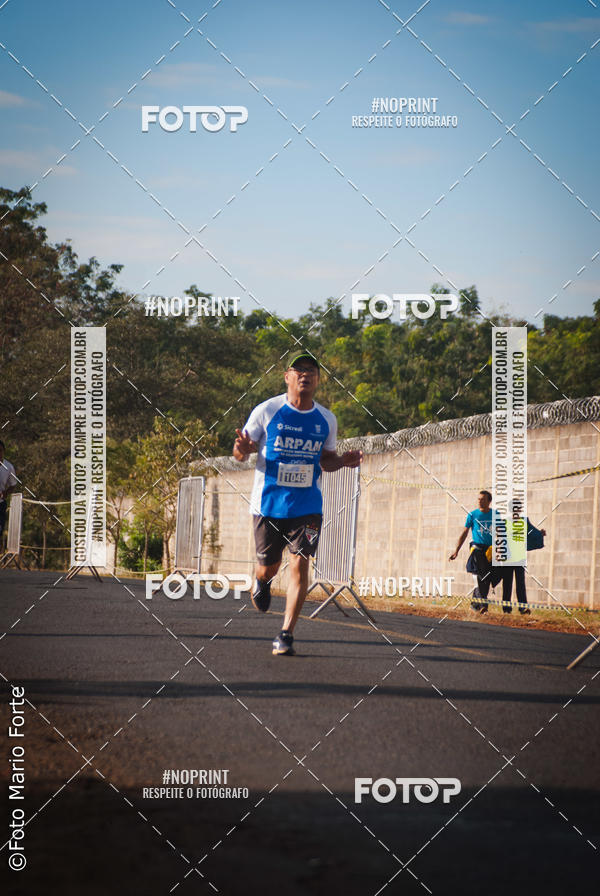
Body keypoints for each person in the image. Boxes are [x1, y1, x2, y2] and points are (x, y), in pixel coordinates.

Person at [233, 352, 363, 655]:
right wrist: (243, 449)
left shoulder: (326, 419)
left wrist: (343, 461)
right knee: (269, 567)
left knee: (300, 563)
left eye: (311, 371)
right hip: (268, 505)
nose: (305, 375)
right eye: (299, 370)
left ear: (317, 380)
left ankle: (286, 633)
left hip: (308, 507)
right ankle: (262, 581)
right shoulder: (267, 410)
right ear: (287, 377)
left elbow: (326, 460)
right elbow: (240, 452)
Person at [449, 490, 501, 614]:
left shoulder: (495, 514)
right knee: (480, 576)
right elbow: (464, 533)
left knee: (486, 578)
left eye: (483, 499)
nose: (480, 501)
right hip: (477, 548)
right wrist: (456, 551)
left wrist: (499, 549)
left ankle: (474, 605)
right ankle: (483, 605)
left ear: (489, 501)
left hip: (490, 550)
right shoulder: (472, 515)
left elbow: (500, 532)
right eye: (478, 499)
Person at [501, 503, 546, 615]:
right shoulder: (505, 522)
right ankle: (506, 609)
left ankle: (523, 608)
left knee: (520, 583)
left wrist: (540, 534)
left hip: (520, 557)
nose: (517, 510)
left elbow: (532, 533)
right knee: (507, 584)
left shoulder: (525, 521)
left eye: (518, 508)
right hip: (508, 557)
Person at [0, 440, 18, 542]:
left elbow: (13, 484)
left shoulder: (9, 467)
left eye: (0, 451)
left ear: (4, 451)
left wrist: (5, 493)